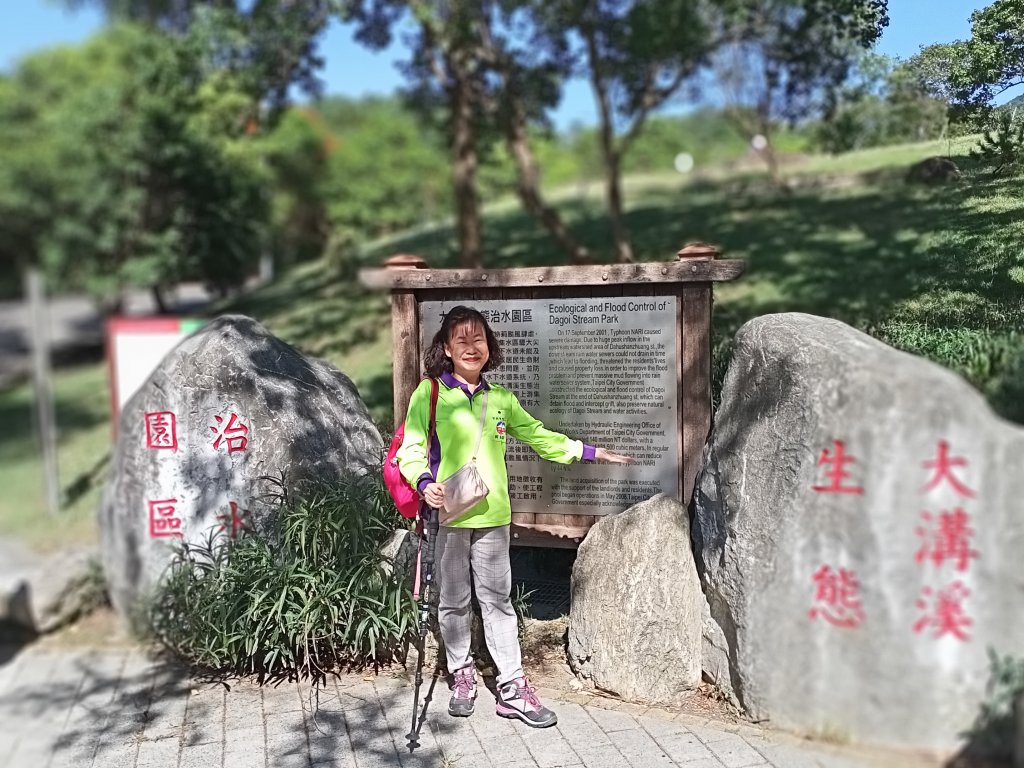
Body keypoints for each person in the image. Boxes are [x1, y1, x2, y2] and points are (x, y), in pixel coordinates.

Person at [395, 305, 633, 728]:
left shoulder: (500, 399)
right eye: (461, 340)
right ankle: (461, 673)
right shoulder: (429, 394)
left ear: (489, 346)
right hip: (449, 516)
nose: (472, 347)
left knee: (498, 602)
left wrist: (589, 452)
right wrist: (423, 481)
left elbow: (539, 436)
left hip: (494, 517)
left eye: (478, 339)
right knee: (453, 601)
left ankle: (511, 686)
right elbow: (410, 449)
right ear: (446, 349)